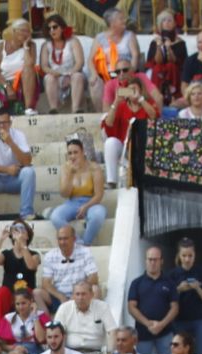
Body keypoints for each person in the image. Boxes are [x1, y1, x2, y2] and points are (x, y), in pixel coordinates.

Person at [99, 59, 158, 188]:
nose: (132, 93)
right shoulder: (121, 106)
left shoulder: (147, 104)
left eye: (135, 90)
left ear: (141, 91)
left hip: (144, 147)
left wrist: (141, 99)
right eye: (129, 90)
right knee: (110, 143)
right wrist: (115, 102)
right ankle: (111, 181)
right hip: (125, 147)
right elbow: (108, 124)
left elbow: (154, 116)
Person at [50, 138, 106, 247]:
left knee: (98, 215)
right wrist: (70, 175)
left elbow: (99, 195)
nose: (72, 156)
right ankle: (78, 241)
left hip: (92, 202)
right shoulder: (66, 168)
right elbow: (64, 194)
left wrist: (86, 206)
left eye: (75, 152)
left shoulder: (94, 167)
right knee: (55, 216)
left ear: (83, 152)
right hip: (72, 202)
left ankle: (86, 243)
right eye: (70, 153)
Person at [0, 17, 38, 116]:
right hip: (2, 81)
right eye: (23, 31)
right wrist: (7, 87)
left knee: (28, 70)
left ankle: (28, 108)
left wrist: (26, 47)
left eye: (28, 31)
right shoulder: (1, 45)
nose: (25, 34)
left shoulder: (31, 45)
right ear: (14, 31)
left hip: (23, 81)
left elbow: (30, 64)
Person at [40, 224, 98, 312]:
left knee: (95, 289)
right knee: (37, 293)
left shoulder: (85, 252)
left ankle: (91, 319)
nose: (62, 242)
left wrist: (77, 293)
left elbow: (93, 277)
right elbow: (45, 283)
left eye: (65, 238)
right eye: (60, 239)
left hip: (80, 293)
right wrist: (60, 296)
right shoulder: (50, 255)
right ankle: (48, 323)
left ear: (74, 239)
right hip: (58, 295)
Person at [0, 219, 40, 318]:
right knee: (1, 292)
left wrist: (23, 245)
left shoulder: (34, 255)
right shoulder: (6, 254)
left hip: (26, 292)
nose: (18, 232)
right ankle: (2, 328)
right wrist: (1, 239)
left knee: (27, 294)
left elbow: (31, 266)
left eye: (22, 230)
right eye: (16, 230)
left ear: (27, 236)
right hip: (9, 293)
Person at [53, 280, 115, 354]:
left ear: (91, 295)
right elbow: (56, 332)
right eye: (77, 294)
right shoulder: (64, 308)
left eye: (83, 294)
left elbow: (112, 331)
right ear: (73, 296)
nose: (80, 297)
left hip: (96, 353)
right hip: (71, 353)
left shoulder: (103, 307)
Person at [38, 14, 86, 115]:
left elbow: (80, 62)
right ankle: (53, 109)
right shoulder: (46, 45)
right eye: (49, 28)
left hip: (73, 73)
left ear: (62, 28)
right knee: (49, 78)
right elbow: (44, 66)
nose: (52, 30)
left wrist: (69, 75)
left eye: (55, 27)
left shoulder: (73, 41)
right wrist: (55, 73)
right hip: (56, 76)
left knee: (77, 76)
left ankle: (75, 109)